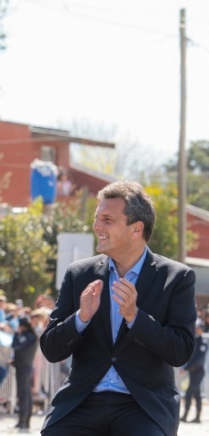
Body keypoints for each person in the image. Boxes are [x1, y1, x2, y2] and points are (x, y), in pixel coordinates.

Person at [39, 180, 197, 436]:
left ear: (136, 229)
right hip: (83, 401)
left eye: (107, 220)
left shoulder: (177, 278)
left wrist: (135, 317)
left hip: (143, 406)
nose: (96, 226)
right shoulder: (79, 274)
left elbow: (180, 352)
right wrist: (81, 317)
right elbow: (50, 349)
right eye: (97, 218)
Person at [11, 316, 37, 433]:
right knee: (26, 395)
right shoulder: (31, 336)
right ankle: (24, 421)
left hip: (24, 368)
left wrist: (16, 334)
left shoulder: (27, 336)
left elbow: (15, 345)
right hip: (24, 368)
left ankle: (23, 422)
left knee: (24, 395)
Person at [180, 320, 207, 423]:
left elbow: (198, 360)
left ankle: (187, 415)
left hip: (198, 372)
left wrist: (185, 368)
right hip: (192, 372)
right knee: (197, 394)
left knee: (189, 393)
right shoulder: (194, 341)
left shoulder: (203, 343)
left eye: (199, 328)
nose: (197, 330)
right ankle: (197, 417)